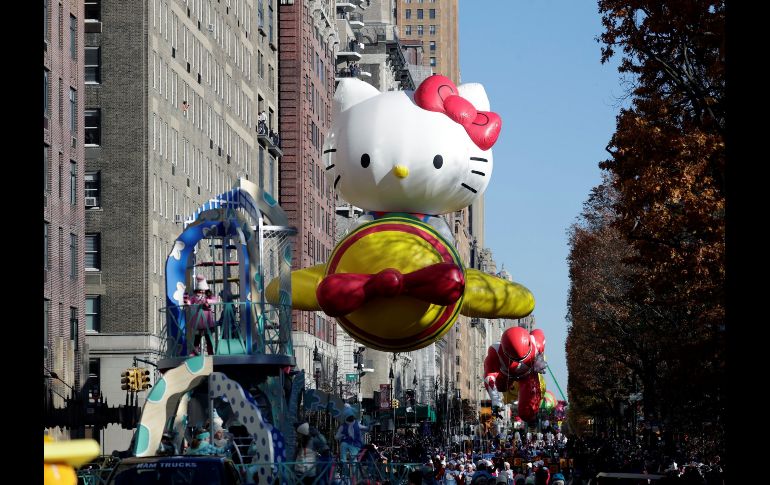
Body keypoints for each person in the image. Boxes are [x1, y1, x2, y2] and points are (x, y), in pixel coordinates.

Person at [185, 276, 218, 355]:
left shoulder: (208, 296)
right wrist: (186, 299)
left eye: (203, 291)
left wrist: (207, 301)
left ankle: (210, 352)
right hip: (198, 321)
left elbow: (215, 300)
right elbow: (189, 302)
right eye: (200, 291)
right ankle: (195, 352)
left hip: (207, 320)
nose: (201, 292)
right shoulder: (194, 297)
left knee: (208, 338)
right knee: (197, 338)